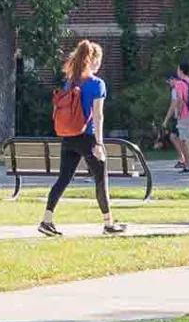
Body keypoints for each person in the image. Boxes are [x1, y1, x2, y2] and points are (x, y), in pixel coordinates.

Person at [40, 39, 126, 237]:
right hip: (87, 137)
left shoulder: (70, 82)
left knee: (62, 179)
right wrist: (99, 143)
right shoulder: (97, 84)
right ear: (93, 60)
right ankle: (108, 223)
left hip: (69, 136)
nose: (100, 64)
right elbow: (98, 115)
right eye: (99, 60)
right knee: (100, 179)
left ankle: (47, 220)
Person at [162, 62, 189, 173]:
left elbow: (179, 100)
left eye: (178, 69)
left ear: (181, 71)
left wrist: (179, 114)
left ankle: (188, 166)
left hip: (185, 116)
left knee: (184, 141)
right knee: (186, 140)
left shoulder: (180, 84)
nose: (177, 71)